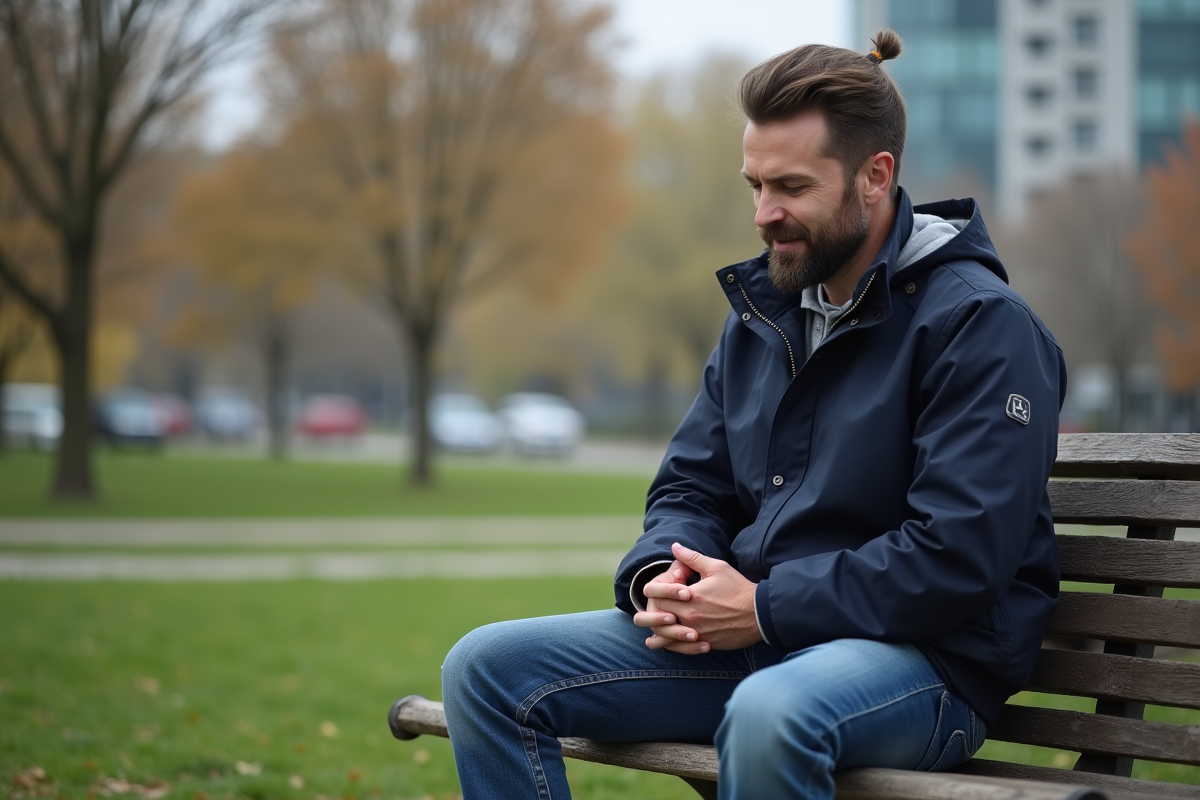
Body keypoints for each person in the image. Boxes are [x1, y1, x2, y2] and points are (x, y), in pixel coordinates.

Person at [440, 31, 1066, 800]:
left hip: (924, 665)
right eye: (754, 185)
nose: (765, 214)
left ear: (876, 176)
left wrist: (765, 607)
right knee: (486, 668)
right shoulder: (762, 318)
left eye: (792, 188)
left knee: (772, 713)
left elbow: (960, 554)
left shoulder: (980, 326)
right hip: (759, 640)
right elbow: (691, 487)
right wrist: (662, 578)